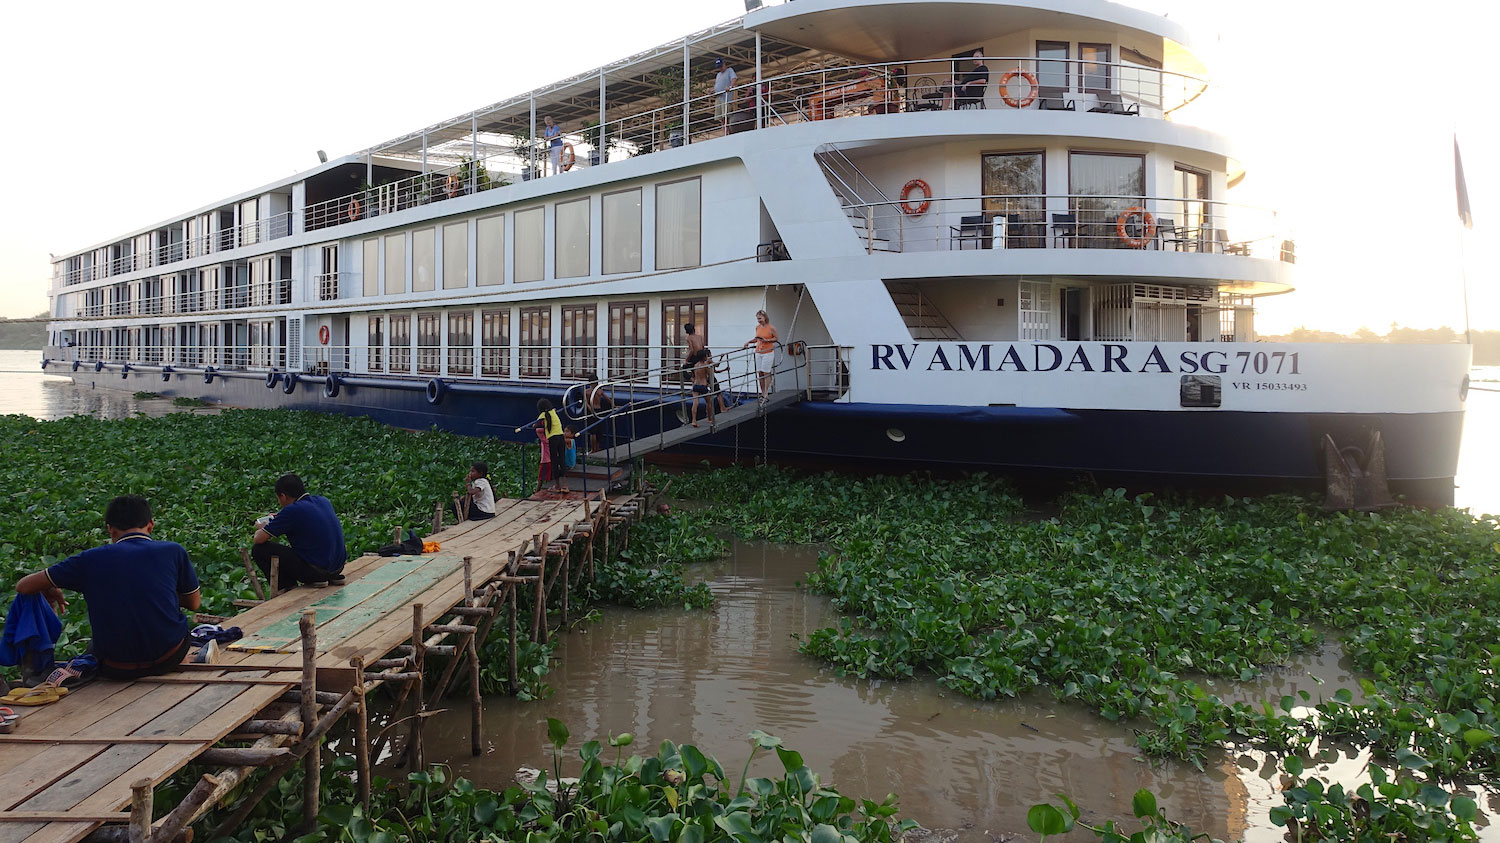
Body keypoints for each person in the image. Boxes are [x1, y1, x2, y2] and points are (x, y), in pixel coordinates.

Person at [15, 495, 200, 680]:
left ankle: (33, 669)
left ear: (110, 530)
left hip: (117, 666)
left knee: (93, 647)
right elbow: (194, 604)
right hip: (169, 657)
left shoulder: (88, 559)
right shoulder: (173, 551)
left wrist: (51, 588)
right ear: (151, 525)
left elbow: (23, 586)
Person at [252, 473, 347, 591]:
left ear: (283, 496)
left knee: (259, 550)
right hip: (338, 568)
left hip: (316, 572)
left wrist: (262, 527)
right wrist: (280, 517)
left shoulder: (291, 511)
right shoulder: (323, 501)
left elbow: (258, 539)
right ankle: (329, 577)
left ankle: (287, 587)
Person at [518, 399, 569, 494]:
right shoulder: (553, 411)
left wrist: (535, 425)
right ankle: (565, 485)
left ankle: (557, 486)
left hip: (553, 438)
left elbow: (535, 425)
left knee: (554, 461)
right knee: (562, 460)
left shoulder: (542, 415)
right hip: (561, 437)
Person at [743, 309, 779, 399]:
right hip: (759, 352)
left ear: (765, 318)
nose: (759, 320)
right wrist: (748, 342)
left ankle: (766, 392)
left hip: (768, 352)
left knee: (766, 372)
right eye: (758, 319)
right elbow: (757, 338)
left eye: (760, 318)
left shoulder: (771, 328)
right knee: (760, 373)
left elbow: (776, 338)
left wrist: (767, 340)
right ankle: (762, 393)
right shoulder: (757, 327)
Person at [583, 372, 615, 452]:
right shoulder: (600, 391)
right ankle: (597, 448)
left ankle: (593, 449)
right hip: (599, 410)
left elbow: (586, 403)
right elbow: (609, 400)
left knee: (592, 432)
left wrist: (590, 409)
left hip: (591, 411)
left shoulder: (586, 392)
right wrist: (614, 406)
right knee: (599, 431)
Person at [686, 348, 716, 428]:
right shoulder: (705, 365)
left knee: (695, 403)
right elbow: (710, 375)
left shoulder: (696, 365)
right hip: (703, 385)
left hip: (695, 385)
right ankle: (709, 418)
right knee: (708, 402)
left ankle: (694, 420)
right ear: (704, 357)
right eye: (706, 356)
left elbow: (695, 375)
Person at [713, 59, 738, 130]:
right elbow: (717, 86)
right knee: (720, 116)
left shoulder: (729, 70)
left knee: (726, 115)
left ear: (724, 64)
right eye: (718, 67)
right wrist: (712, 91)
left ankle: (728, 130)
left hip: (726, 97)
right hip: (719, 97)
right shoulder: (718, 74)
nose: (720, 68)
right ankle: (724, 129)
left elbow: (734, 78)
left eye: (721, 66)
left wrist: (730, 86)